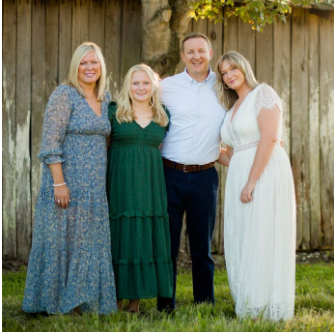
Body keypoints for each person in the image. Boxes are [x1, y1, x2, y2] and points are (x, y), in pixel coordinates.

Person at [22, 42, 117, 315]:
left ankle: (82, 301)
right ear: (75, 66)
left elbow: (106, 142)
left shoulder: (106, 98)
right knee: (62, 240)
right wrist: (59, 184)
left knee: (89, 242)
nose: (89, 68)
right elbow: (51, 142)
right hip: (67, 183)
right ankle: (55, 301)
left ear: (101, 67)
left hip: (95, 187)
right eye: (83, 63)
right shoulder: (65, 95)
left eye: (94, 62)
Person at [216, 51, 296, 320]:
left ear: (244, 67)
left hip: (264, 174)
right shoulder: (232, 108)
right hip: (241, 175)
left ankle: (267, 305)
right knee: (244, 235)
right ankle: (250, 300)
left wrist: (251, 180)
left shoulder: (263, 94)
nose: (229, 76)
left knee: (262, 233)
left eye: (232, 69)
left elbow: (270, 138)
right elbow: (231, 155)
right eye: (224, 73)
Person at [157, 32, 229, 311]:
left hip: (205, 176)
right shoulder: (166, 87)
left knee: (202, 248)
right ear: (183, 55)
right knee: (168, 246)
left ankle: (204, 304)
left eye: (201, 51)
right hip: (168, 174)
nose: (196, 56)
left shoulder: (224, 86)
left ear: (210, 53)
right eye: (190, 52)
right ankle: (165, 305)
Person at [106, 64, 173, 313]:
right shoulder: (115, 112)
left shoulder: (163, 115)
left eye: (146, 83)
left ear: (153, 86)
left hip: (150, 187)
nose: (141, 88)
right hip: (120, 185)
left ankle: (134, 303)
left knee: (143, 237)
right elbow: (103, 148)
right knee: (120, 237)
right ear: (128, 86)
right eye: (136, 83)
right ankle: (115, 301)